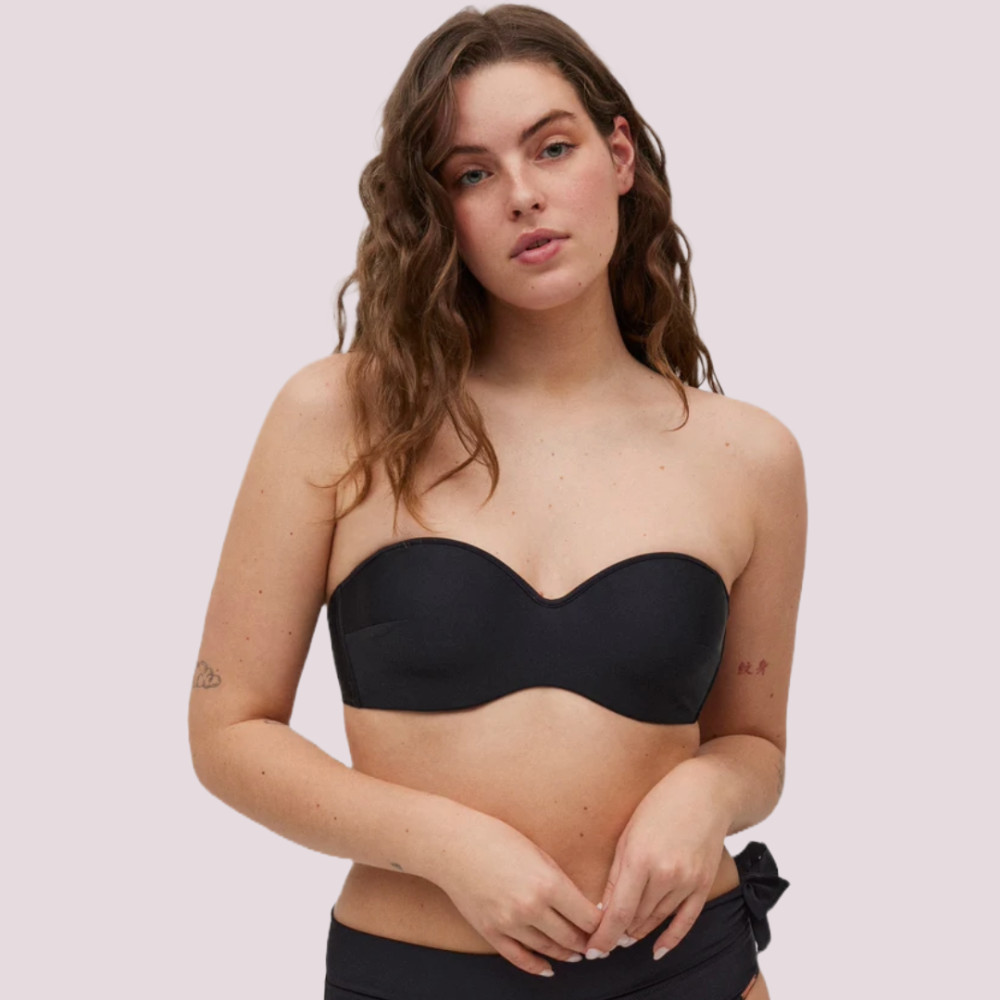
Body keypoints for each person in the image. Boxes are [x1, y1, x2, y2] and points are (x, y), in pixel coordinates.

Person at [188, 4, 805, 998]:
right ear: (437, 212)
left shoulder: (748, 456)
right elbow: (227, 732)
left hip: (686, 970)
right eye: (471, 173)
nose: (523, 196)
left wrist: (703, 790)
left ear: (618, 156)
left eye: (552, 148)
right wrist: (446, 844)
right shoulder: (341, 416)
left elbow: (755, 744)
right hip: (413, 974)